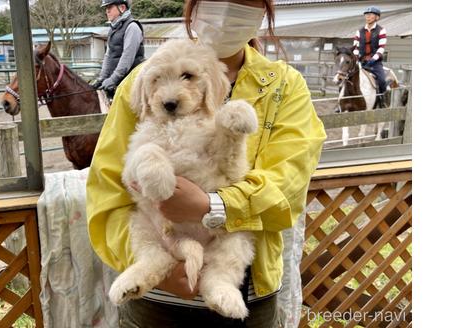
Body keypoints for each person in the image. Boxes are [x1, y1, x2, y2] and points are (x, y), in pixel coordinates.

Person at [86, 0, 326, 327]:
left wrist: (210, 205)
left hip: (246, 292)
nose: (228, 9)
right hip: (156, 301)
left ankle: (219, 279)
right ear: (193, 5)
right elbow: (107, 190)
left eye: (244, 0)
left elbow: (289, 185)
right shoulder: (143, 80)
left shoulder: (285, 87)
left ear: (265, 8)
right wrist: (161, 270)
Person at [90, 0, 145, 98]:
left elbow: (127, 58)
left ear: (122, 8)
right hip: (118, 82)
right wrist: (101, 78)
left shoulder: (132, 27)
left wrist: (113, 79)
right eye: (106, 8)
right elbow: (108, 56)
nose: (107, 11)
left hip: (132, 82)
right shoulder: (113, 29)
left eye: (110, 7)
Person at [353, 6, 388, 104]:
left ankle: (382, 100)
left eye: (370, 14)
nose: (368, 16)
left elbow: (381, 48)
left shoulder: (381, 30)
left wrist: (373, 59)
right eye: (366, 15)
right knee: (347, 78)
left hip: (375, 63)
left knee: (382, 81)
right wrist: (356, 57)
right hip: (361, 61)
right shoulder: (359, 31)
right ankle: (340, 102)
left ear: (377, 17)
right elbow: (356, 47)